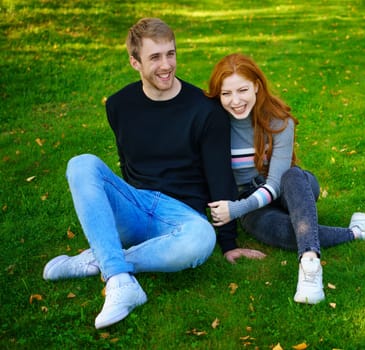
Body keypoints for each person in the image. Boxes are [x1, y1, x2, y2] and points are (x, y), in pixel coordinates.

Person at [42, 18, 238, 329]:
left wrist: (228, 242)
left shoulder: (205, 109)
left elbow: (219, 177)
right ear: (135, 62)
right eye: (155, 57)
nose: (166, 65)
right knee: (81, 163)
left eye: (170, 54)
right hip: (135, 203)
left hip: (180, 214)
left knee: (202, 238)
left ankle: (105, 259)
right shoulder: (120, 105)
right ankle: (121, 281)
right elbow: (127, 164)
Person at [206, 53, 365, 304]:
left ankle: (310, 265)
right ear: (218, 95)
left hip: (292, 186)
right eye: (226, 94)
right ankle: (360, 231)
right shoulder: (213, 123)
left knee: (292, 176)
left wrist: (235, 209)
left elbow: (277, 182)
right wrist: (241, 209)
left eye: (243, 90)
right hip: (250, 200)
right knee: (287, 232)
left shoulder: (279, 121)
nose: (235, 101)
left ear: (256, 85)